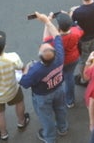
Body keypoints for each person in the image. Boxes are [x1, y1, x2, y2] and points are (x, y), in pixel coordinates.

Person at [20, 12, 68, 142]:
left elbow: (24, 82)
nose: (43, 43)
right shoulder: (59, 57)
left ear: (40, 57)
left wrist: (26, 70)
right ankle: (63, 128)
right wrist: (47, 22)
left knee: (46, 117)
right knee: (60, 109)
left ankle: (50, 137)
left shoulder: (35, 69)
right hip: (58, 89)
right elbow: (57, 36)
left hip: (42, 96)